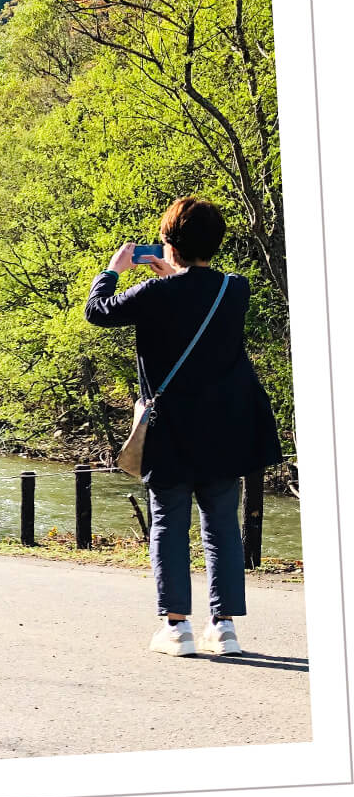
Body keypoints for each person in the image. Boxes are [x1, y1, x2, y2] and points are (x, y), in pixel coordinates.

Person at [84, 197, 282, 657]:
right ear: (215, 244)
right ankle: (225, 628)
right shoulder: (235, 289)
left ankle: (177, 628)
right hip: (226, 430)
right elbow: (200, 293)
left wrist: (113, 270)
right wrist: (174, 273)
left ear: (168, 243)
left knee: (169, 525)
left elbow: (98, 311)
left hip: (171, 431)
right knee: (221, 527)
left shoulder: (154, 295)